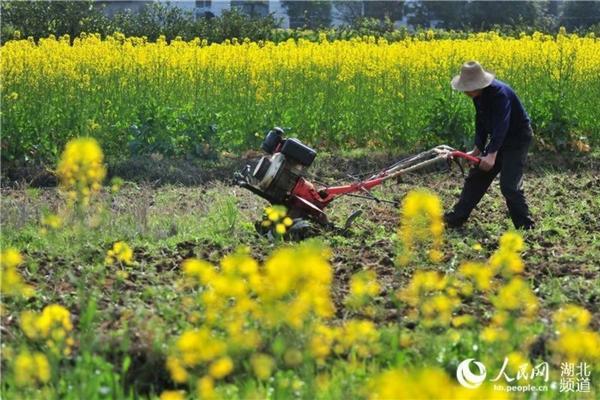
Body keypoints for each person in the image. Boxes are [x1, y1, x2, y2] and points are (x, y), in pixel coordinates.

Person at [444, 61, 535, 230]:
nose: (464, 91)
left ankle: (525, 226)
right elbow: (481, 121)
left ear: (477, 84)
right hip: (499, 138)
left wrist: (491, 154)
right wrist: (477, 148)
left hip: (517, 139)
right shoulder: (478, 96)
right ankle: (456, 218)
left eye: (467, 87)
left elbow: (502, 125)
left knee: (509, 185)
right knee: (477, 176)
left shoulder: (500, 94)